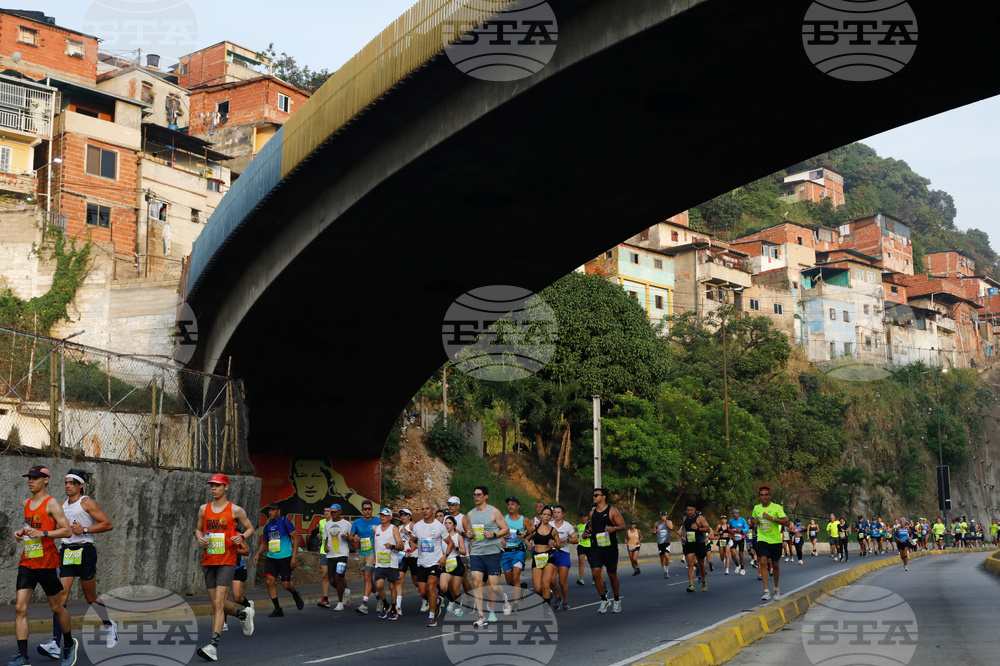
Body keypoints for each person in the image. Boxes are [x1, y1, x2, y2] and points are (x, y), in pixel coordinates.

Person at [37, 469, 117, 661]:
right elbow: (55, 528)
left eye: (71, 482)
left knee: (90, 597)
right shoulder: (61, 505)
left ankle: (109, 625)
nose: (67, 485)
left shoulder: (87, 503)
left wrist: (85, 529)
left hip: (85, 551)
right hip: (66, 552)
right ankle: (56, 644)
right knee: (61, 598)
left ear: (81, 485)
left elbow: (107, 524)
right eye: (66, 482)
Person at [9, 466, 77, 666]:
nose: (31, 481)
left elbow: (67, 531)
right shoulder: (26, 503)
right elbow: (31, 526)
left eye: (36, 478)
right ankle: (23, 655)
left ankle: (68, 644)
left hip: (48, 563)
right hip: (28, 562)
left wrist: (44, 534)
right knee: (20, 607)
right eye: (29, 478)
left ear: (46, 480)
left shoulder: (52, 504)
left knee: (56, 607)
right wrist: (22, 532)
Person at [194, 472, 256, 662]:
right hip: (208, 560)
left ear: (226, 487)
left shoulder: (235, 510)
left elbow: (250, 529)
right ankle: (243, 615)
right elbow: (198, 529)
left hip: (227, 560)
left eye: (218, 485)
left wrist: (241, 536)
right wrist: (200, 539)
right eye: (211, 485)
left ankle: (213, 647)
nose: (213, 488)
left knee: (219, 603)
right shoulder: (204, 509)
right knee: (216, 604)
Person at [462, 486, 511, 627]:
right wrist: (469, 534)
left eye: (479, 494)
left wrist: (494, 534)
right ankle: (481, 616)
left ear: (485, 496)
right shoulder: (470, 514)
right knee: (477, 583)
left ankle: (503, 598)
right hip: (476, 552)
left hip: (492, 552)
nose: (476, 497)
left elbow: (506, 529)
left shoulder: (494, 512)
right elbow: (470, 532)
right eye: (474, 495)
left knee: (494, 586)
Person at [253, 503, 304, 617]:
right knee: (269, 581)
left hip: (285, 557)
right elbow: (264, 543)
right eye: (269, 510)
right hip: (272, 558)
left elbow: (295, 539)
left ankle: (295, 594)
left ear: (279, 511)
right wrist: (257, 554)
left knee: (285, 584)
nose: (270, 512)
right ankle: (277, 608)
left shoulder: (285, 522)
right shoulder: (267, 526)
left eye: (273, 510)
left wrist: (294, 557)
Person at [582, 488, 626, 613]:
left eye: (596, 495)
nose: (594, 497)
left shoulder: (612, 511)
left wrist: (614, 528)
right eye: (593, 495)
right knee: (596, 573)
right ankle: (604, 599)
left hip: (610, 548)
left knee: (612, 575)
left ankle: (616, 600)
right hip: (596, 547)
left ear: (603, 497)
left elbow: (623, 526)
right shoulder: (592, 513)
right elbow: (591, 528)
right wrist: (587, 533)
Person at [410, 501, 446, 626]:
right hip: (421, 562)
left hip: (435, 562)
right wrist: (412, 544)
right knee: (422, 592)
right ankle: (436, 600)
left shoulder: (439, 526)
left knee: (431, 587)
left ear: (432, 511)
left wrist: (445, 556)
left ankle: (431, 617)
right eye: (422, 509)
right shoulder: (417, 526)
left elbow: (450, 543)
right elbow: (412, 539)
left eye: (427, 508)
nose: (424, 511)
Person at [751, 486, 789, 601]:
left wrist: (771, 518)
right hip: (762, 539)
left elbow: (786, 522)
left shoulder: (776, 507)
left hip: (775, 540)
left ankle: (776, 588)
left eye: (766, 495)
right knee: (762, 561)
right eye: (761, 495)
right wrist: (754, 521)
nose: (764, 497)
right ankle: (766, 590)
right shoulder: (756, 508)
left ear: (769, 496)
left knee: (775, 564)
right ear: (759, 497)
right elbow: (752, 520)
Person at [372, 508, 404, 619]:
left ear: (390, 517)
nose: (382, 517)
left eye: (384, 515)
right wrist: (374, 557)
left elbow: (401, 546)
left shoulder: (393, 529)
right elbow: (375, 544)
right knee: (379, 585)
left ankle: (394, 607)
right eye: (381, 515)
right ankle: (385, 604)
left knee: (391, 585)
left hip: (391, 562)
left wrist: (392, 546)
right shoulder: (376, 529)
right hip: (380, 562)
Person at [351, 500, 381, 615]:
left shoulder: (378, 521)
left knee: (368, 576)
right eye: (365, 509)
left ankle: (364, 604)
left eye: (369, 509)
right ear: (362, 510)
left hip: (373, 552)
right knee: (367, 579)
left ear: (372, 510)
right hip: (362, 553)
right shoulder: (357, 522)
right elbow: (350, 536)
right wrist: (353, 539)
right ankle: (380, 600)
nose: (367, 511)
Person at [530, 506, 560, 618]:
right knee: (538, 588)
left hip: (549, 557)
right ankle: (548, 597)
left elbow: (559, 545)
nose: (546, 517)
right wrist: (528, 544)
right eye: (544, 514)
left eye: (548, 515)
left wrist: (554, 544)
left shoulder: (553, 530)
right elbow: (527, 539)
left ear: (551, 517)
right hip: (537, 557)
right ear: (541, 515)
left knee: (545, 583)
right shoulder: (534, 528)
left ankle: (546, 609)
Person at [323, 504, 353, 610]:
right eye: (332, 512)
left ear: (340, 511)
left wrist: (347, 538)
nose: (333, 513)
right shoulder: (327, 524)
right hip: (331, 555)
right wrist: (325, 546)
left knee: (338, 577)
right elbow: (326, 538)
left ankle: (340, 603)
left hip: (342, 554)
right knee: (331, 580)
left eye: (335, 511)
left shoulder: (346, 524)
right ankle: (345, 591)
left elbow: (352, 537)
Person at [501, 497, 527, 613]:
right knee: (509, 581)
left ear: (518, 506)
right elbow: (497, 531)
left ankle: (515, 605)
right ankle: (521, 588)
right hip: (506, 552)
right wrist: (502, 536)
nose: (510, 506)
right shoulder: (503, 519)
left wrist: (525, 536)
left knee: (516, 577)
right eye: (509, 504)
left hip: (518, 551)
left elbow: (532, 532)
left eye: (512, 504)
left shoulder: (524, 520)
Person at [446, 496, 474, 604]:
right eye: (449, 504)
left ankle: (470, 600)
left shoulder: (463, 518)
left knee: (463, 579)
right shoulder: (446, 518)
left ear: (458, 506)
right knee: (450, 580)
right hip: (449, 554)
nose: (450, 506)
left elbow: (470, 535)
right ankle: (455, 602)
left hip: (462, 554)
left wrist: (460, 533)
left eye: (452, 504)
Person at [549, 505, 577, 610]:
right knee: (551, 581)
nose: (556, 514)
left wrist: (567, 540)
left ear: (563, 514)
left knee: (562, 582)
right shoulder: (549, 525)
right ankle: (558, 597)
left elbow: (576, 540)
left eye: (558, 512)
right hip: (552, 554)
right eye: (555, 512)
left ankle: (565, 601)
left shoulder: (568, 526)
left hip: (563, 554)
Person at [439, 516, 467, 617]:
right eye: (446, 523)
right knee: (443, 586)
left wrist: (455, 547)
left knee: (455, 589)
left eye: (449, 523)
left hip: (456, 562)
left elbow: (464, 552)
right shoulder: (442, 537)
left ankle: (459, 607)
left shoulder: (458, 537)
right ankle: (452, 600)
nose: (447, 525)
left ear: (454, 525)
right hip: (446, 563)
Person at [680, 502, 711, 593]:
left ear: (695, 510)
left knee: (701, 563)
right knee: (690, 564)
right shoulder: (685, 519)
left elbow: (708, 529)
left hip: (699, 543)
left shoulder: (700, 519)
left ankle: (703, 581)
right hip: (690, 544)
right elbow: (683, 529)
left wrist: (697, 528)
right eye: (688, 510)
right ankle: (691, 585)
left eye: (691, 510)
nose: (689, 512)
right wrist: (683, 535)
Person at [397, 508, 419, 614]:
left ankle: (426, 599)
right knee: (399, 579)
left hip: (413, 555)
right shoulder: (399, 527)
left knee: (416, 581)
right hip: (403, 555)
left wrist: (408, 533)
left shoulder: (413, 525)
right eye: (401, 514)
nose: (402, 516)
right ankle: (398, 606)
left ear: (410, 516)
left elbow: (419, 538)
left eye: (405, 514)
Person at [317, 506, 332, 608]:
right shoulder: (321, 522)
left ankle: (344, 592)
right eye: (325, 511)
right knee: (325, 574)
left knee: (336, 576)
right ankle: (325, 599)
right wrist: (319, 535)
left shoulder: (336, 522)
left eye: (328, 511)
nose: (326, 513)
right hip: (324, 551)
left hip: (335, 552)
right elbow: (321, 534)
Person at [728, 509, 748, 575]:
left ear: (739, 514)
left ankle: (742, 569)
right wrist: (730, 531)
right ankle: (737, 565)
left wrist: (741, 530)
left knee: (741, 555)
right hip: (734, 538)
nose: (735, 514)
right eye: (734, 513)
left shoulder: (742, 520)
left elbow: (747, 529)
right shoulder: (731, 521)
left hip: (741, 538)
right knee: (733, 553)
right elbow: (729, 528)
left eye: (736, 513)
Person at [654, 511, 674, 579]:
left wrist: (665, 521)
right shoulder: (657, 523)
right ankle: (665, 571)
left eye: (664, 515)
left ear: (666, 515)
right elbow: (653, 532)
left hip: (667, 542)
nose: (663, 516)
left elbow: (671, 528)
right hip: (660, 542)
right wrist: (656, 531)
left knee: (667, 556)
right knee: (662, 557)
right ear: (660, 515)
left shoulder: (669, 522)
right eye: (662, 515)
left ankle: (667, 571)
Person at [577, 512, 592, 585]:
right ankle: (581, 579)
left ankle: (594, 576)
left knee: (591, 562)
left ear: (587, 517)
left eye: (584, 516)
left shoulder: (589, 525)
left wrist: (589, 535)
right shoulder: (579, 526)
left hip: (589, 546)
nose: (582, 518)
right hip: (581, 545)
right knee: (581, 562)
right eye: (581, 517)